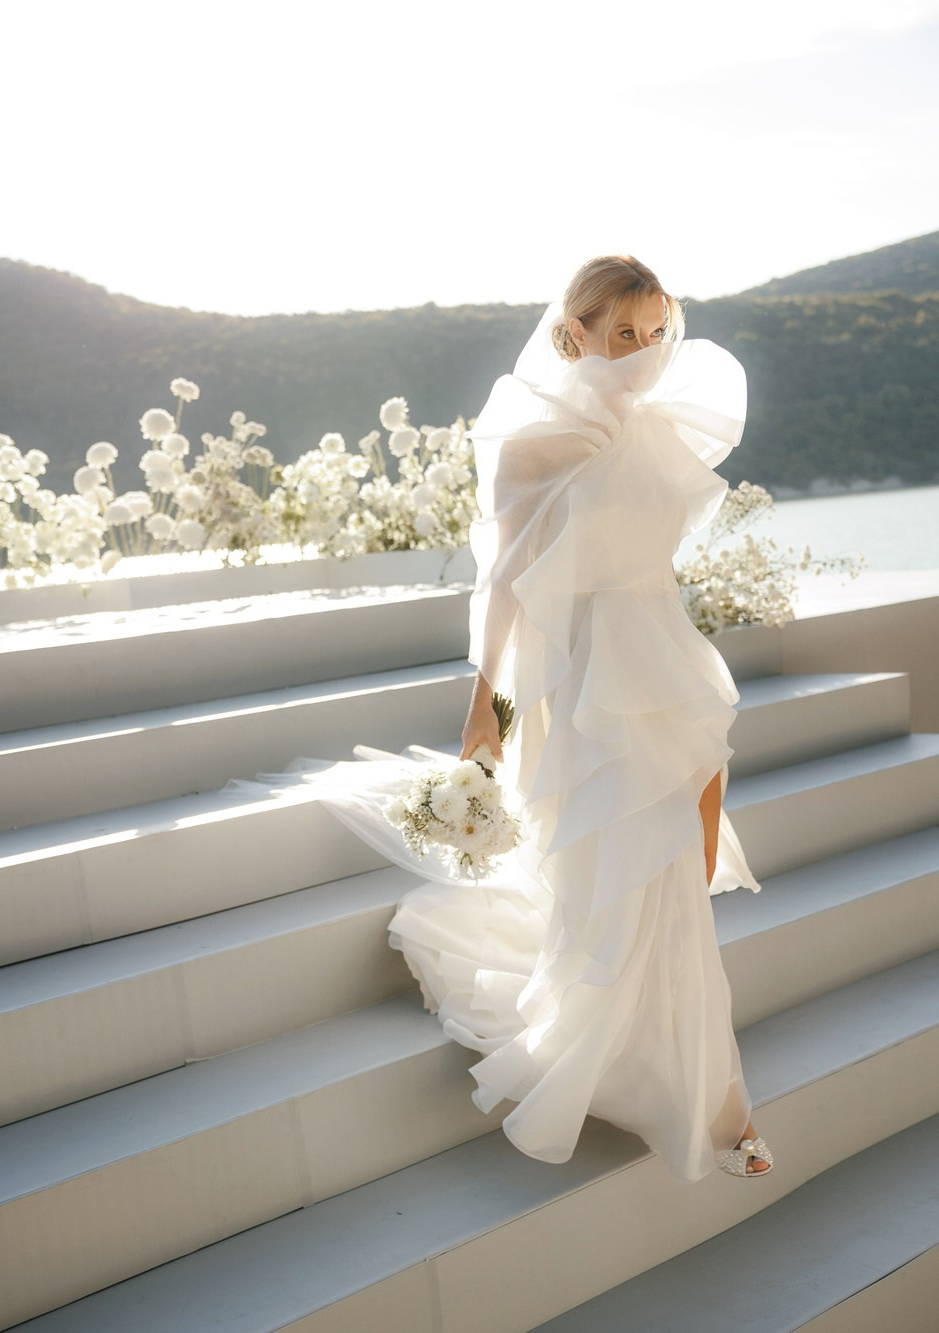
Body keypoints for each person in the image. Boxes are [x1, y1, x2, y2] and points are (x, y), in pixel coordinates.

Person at [231, 255, 773, 1181]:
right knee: (608, 878)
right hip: (584, 680)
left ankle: (711, 1091)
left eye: (653, 333)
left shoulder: (660, 430)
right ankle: (655, 1077)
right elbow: (504, 585)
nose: (640, 354)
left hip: (665, 665)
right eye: (620, 335)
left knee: (677, 883)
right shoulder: (531, 445)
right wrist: (488, 707)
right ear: (574, 337)